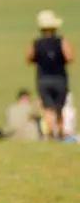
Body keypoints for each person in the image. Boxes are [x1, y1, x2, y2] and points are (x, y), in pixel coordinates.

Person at [26, 9, 73, 140]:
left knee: (48, 108)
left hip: (43, 79)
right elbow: (69, 57)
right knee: (59, 107)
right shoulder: (61, 41)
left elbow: (29, 58)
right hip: (60, 78)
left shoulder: (36, 43)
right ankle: (61, 132)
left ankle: (51, 132)